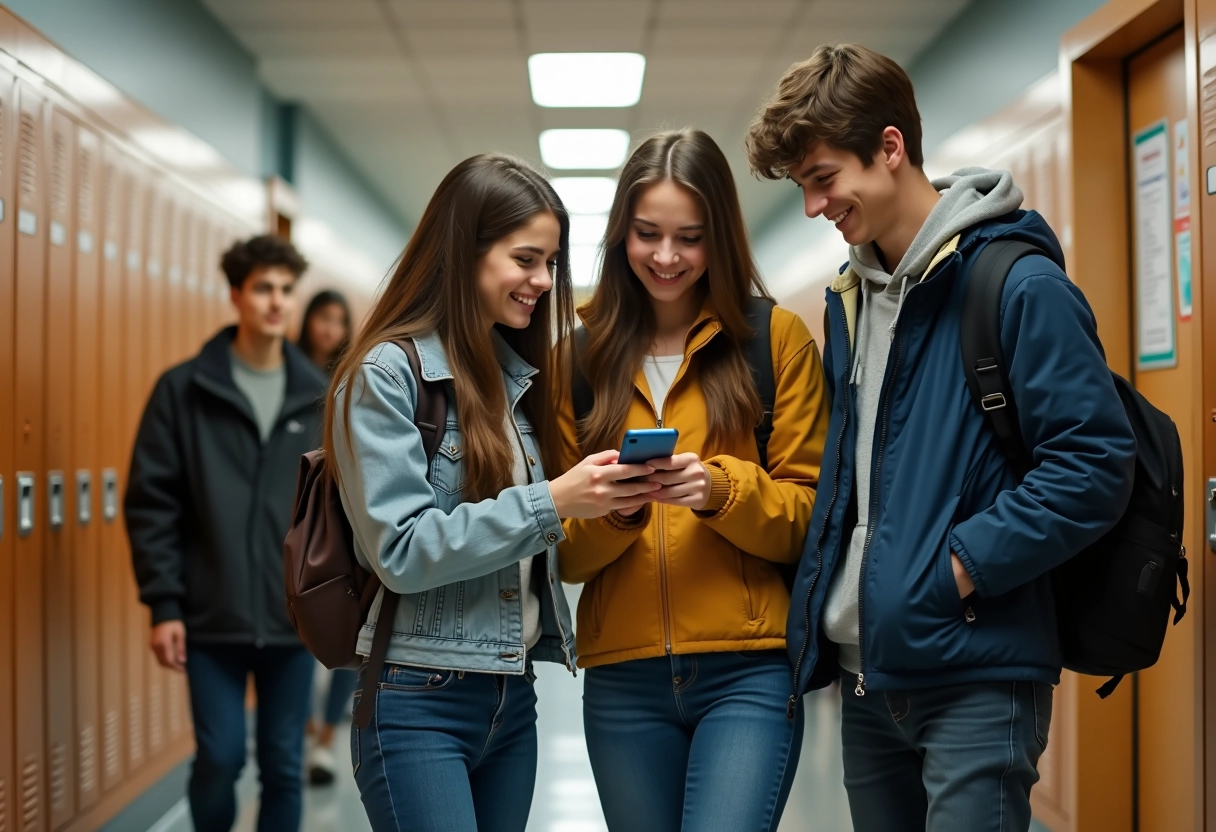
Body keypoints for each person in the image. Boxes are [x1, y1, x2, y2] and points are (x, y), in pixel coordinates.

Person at [745, 44, 1137, 832]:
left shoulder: (1018, 285)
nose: (815, 206)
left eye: (824, 179)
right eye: (803, 188)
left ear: (890, 148)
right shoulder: (850, 299)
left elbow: (1095, 463)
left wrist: (957, 568)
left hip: (975, 675)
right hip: (870, 678)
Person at [328, 153, 659, 832]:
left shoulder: (514, 379)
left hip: (511, 698)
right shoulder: (387, 375)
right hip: (417, 695)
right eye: (526, 259)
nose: (543, 281)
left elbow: (524, 540)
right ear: (464, 252)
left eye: (552, 264)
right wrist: (554, 502)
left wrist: (608, 502)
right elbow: (403, 549)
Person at [558, 129, 830, 832]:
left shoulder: (775, 341)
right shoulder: (577, 359)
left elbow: (809, 518)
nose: (667, 257)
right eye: (648, 234)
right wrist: (615, 514)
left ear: (722, 239)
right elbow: (557, 551)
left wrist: (721, 491)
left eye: (691, 237)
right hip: (623, 677)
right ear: (621, 234)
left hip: (751, 671)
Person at [125, 234, 327, 832]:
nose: (276, 302)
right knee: (219, 757)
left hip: (293, 616)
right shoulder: (183, 390)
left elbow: (338, 505)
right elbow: (151, 504)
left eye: (286, 291)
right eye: (263, 288)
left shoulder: (317, 396)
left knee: (282, 766)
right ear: (236, 294)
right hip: (209, 615)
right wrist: (164, 604)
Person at [296, 288, 359, 785]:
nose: (330, 329)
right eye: (323, 318)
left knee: (345, 639)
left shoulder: (353, 380)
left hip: (340, 523)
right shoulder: (292, 378)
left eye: (339, 321)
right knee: (300, 640)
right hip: (299, 523)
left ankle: (324, 740)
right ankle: (308, 727)